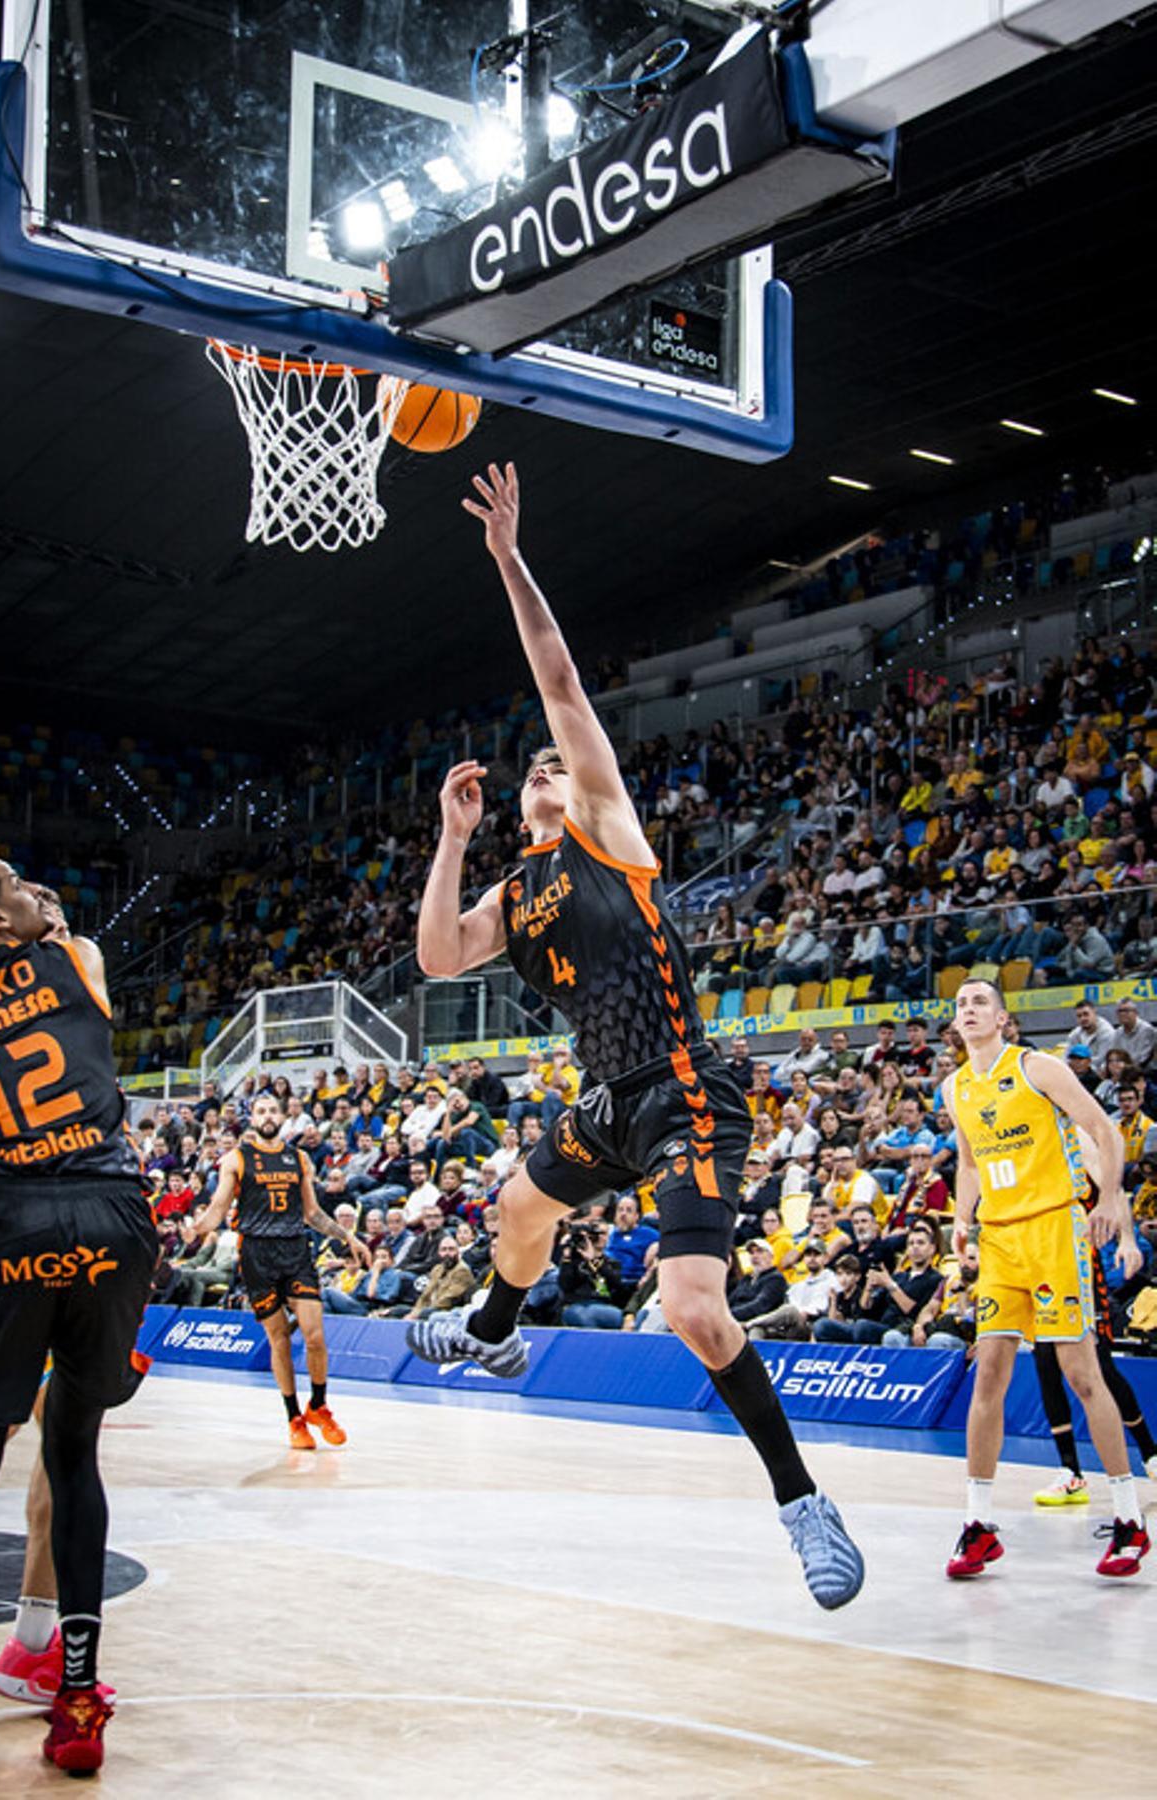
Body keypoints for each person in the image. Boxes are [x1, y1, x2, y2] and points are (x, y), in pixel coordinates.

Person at [406, 463, 863, 1609]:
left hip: (685, 1088)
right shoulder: (511, 890)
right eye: (534, 769)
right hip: (609, 1099)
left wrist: (509, 559)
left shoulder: (607, 829)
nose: (547, 767)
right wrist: (451, 840)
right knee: (518, 1208)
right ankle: (497, 1330)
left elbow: (559, 681)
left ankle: (803, 1502)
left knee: (694, 1310)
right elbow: (437, 958)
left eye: (556, 762)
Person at [0, 854, 158, 1771]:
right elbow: (62, 942)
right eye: (15, 885)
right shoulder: (77, 959)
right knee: (73, 1453)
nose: (35, 890)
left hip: (10, 1226)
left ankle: (39, 1655)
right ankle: (76, 1699)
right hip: (114, 1218)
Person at [944, 977, 1149, 1580]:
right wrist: (962, 1219)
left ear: (1003, 1019)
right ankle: (978, 1524)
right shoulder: (955, 1087)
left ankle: (1129, 1518)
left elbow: (1104, 1130)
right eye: (961, 1004)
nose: (969, 1010)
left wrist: (1109, 1199)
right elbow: (969, 1163)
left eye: (980, 1002)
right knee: (989, 1375)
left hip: (1055, 1230)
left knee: (1083, 1375)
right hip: (999, 1239)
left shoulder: (1038, 1069)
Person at [192, 1092, 355, 1451]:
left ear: (282, 1117)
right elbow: (218, 1208)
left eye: (272, 1111)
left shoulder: (299, 1158)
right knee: (279, 1337)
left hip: (294, 1249)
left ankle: (319, 1405)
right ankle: (294, 1417)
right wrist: (197, 1229)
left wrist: (348, 1237)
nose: (267, 1116)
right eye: (260, 1111)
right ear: (252, 1119)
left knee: (315, 1335)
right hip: (256, 1253)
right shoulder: (235, 1159)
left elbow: (312, 1213)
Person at [1031, 1128, 1157, 1505]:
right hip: (1037, 1262)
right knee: (1044, 1361)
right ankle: (1070, 1471)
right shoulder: (1022, 1136)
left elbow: (1113, 1191)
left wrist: (1128, 1240)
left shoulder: (1072, 1134)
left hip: (1078, 1264)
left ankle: (1150, 1453)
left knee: (1098, 1366)